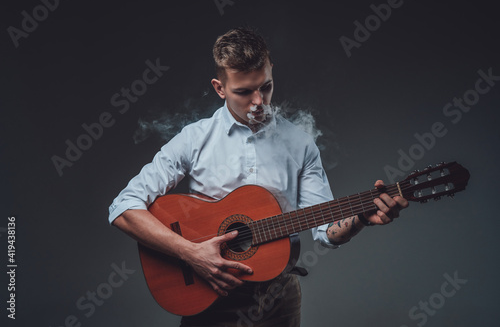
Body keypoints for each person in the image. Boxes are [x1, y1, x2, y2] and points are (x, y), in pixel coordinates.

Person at [108, 27, 409, 326]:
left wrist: (358, 219)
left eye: (265, 87)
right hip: (209, 294)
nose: (258, 102)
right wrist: (192, 254)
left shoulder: (300, 143)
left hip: (279, 299)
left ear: (271, 72)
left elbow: (327, 231)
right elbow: (123, 208)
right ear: (219, 88)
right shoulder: (194, 139)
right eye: (243, 91)